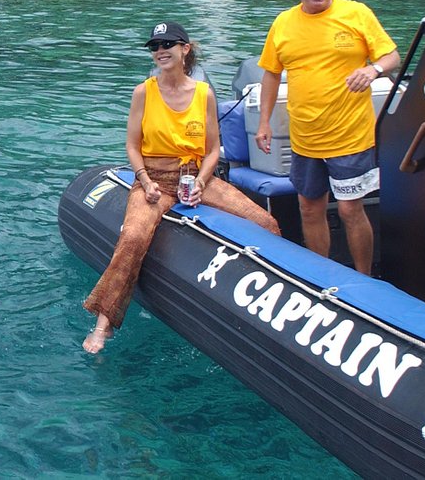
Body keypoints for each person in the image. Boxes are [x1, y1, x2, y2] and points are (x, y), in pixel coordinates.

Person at [83, 21, 281, 354]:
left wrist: (202, 182)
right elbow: (132, 145)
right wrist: (144, 182)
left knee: (267, 224)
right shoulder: (143, 92)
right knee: (132, 237)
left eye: (167, 44)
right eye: (154, 47)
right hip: (154, 179)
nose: (160, 51)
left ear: (184, 49)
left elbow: (213, 148)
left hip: (195, 178)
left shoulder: (203, 94)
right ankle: (103, 323)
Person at [254, 0, 400, 275]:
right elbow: (271, 73)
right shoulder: (283, 23)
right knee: (309, 208)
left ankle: (364, 278)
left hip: (351, 136)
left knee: (350, 210)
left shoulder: (357, 13)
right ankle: (321, 274)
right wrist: (263, 122)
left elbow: (391, 56)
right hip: (305, 137)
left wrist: (373, 70)